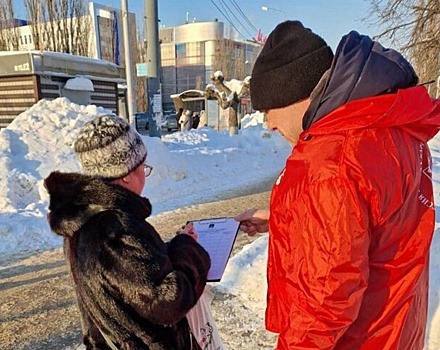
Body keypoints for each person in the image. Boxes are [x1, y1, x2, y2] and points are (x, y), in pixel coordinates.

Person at [235, 20, 440, 349]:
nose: (269, 125)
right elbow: (367, 223)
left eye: (268, 110)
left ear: (295, 95)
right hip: (397, 328)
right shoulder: (388, 125)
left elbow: (326, 299)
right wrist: (281, 218)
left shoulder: (330, 160)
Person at [44, 114, 210, 349]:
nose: (145, 174)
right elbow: (166, 302)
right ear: (126, 174)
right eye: (144, 167)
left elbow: (128, 281)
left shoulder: (84, 218)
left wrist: (172, 248)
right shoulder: (115, 230)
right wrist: (188, 251)